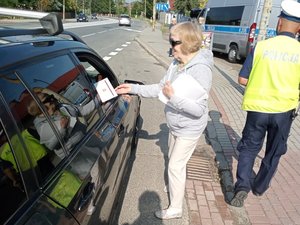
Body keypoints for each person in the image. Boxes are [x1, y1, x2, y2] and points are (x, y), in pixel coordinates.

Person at [115, 21, 214, 219]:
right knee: (175, 163)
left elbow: (199, 110)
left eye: (173, 41)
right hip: (175, 124)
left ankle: (176, 208)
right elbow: (159, 88)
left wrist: (173, 97)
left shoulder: (200, 69)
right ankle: (175, 185)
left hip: (189, 128)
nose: (170, 46)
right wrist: (132, 89)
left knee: (176, 165)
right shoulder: (176, 64)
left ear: (186, 42)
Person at [230, 0, 300, 208]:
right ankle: (259, 187)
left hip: (257, 110)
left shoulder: (261, 47)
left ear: (279, 24)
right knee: (274, 151)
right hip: (283, 112)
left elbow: (242, 79)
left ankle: (241, 187)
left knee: (249, 148)